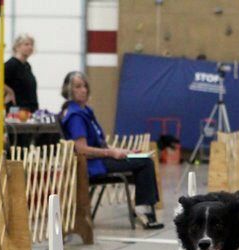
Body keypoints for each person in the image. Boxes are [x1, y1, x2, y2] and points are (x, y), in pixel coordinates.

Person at [60, 71, 163, 230]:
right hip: (90, 165)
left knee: (143, 161)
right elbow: (82, 150)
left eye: (85, 86)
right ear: (69, 90)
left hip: (99, 159)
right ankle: (143, 209)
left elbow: (101, 144)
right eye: (78, 87)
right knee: (145, 164)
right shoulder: (75, 116)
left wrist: (123, 150)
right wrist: (111, 153)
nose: (83, 90)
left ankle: (144, 207)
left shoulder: (86, 111)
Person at [0, 33, 38, 112]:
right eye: (26, 44)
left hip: (28, 110)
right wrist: (10, 91)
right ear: (17, 47)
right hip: (17, 111)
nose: (30, 47)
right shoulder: (13, 64)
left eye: (31, 45)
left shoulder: (26, 66)